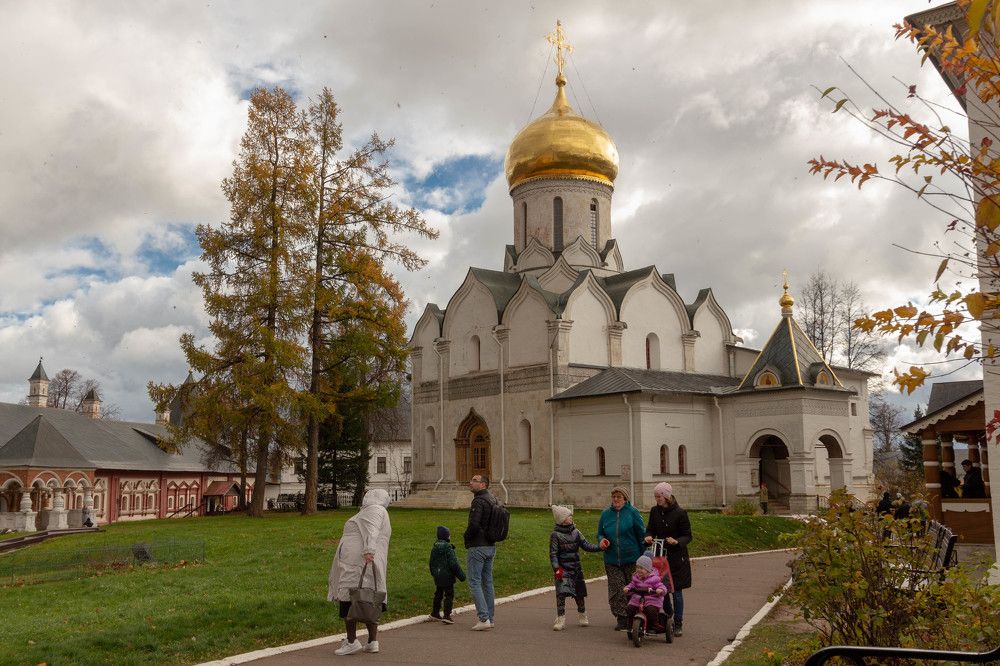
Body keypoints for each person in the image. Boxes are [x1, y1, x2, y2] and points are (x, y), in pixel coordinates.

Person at [328, 488, 392, 656]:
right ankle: (372, 641)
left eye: (368, 493)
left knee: (350, 599)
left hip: (356, 565)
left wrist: (369, 550)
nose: (365, 495)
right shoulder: (374, 511)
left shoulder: (374, 509)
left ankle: (351, 641)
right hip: (359, 563)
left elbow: (372, 529)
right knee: (368, 600)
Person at [643, 482, 692, 637]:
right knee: (661, 590)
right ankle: (669, 615)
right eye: (656, 496)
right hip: (660, 556)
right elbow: (650, 528)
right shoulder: (654, 511)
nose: (657, 499)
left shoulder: (680, 513)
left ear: (666, 496)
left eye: (659, 496)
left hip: (677, 557)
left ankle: (678, 623)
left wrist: (677, 541)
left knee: (676, 591)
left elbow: (688, 535)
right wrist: (648, 536)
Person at [596, 486, 646, 631]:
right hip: (612, 559)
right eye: (614, 497)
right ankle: (622, 618)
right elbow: (600, 533)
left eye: (619, 497)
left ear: (625, 498)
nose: (616, 499)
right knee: (617, 589)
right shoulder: (605, 514)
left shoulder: (633, 513)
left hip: (632, 558)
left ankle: (634, 616)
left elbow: (641, 535)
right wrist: (602, 541)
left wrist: (644, 557)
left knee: (632, 588)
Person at [549, 504, 601, 631]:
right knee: (561, 594)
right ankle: (561, 619)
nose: (571, 517)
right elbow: (553, 553)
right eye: (568, 516)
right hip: (563, 569)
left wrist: (600, 547)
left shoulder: (576, 532)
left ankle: (582, 615)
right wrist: (556, 568)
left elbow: (586, 545)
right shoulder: (555, 535)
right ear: (562, 519)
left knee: (579, 594)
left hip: (576, 568)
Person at [465, 474, 499, 630]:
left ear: (483, 485)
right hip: (490, 545)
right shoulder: (493, 500)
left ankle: (483, 618)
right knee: (488, 582)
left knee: (474, 581)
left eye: (474, 481)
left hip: (478, 545)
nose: (470, 483)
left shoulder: (478, 501)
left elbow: (474, 524)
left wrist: (466, 537)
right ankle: (490, 618)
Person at [429, 525, 465, 624]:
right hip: (448, 576)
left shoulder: (434, 547)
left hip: (438, 575)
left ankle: (435, 613)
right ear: (446, 536)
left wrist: (434, 573)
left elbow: (431, 562)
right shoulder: (449, 548)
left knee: (438, 593)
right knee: (449, 595)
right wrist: (461, 576)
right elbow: (453, 564)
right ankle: (447, 615)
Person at [623, 554, 668, 634]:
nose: (639, 570)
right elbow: (632, 585)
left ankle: (654, 624)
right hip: (638, 599)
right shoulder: (636, 578)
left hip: (651, 599)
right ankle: (630, 624)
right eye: (637, 567)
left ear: (648, 570)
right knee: (630, 608)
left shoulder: (654, 579)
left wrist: (660, 590)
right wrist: (627, 588)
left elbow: (662, 587)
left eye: (641, 568)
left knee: (650, 610)